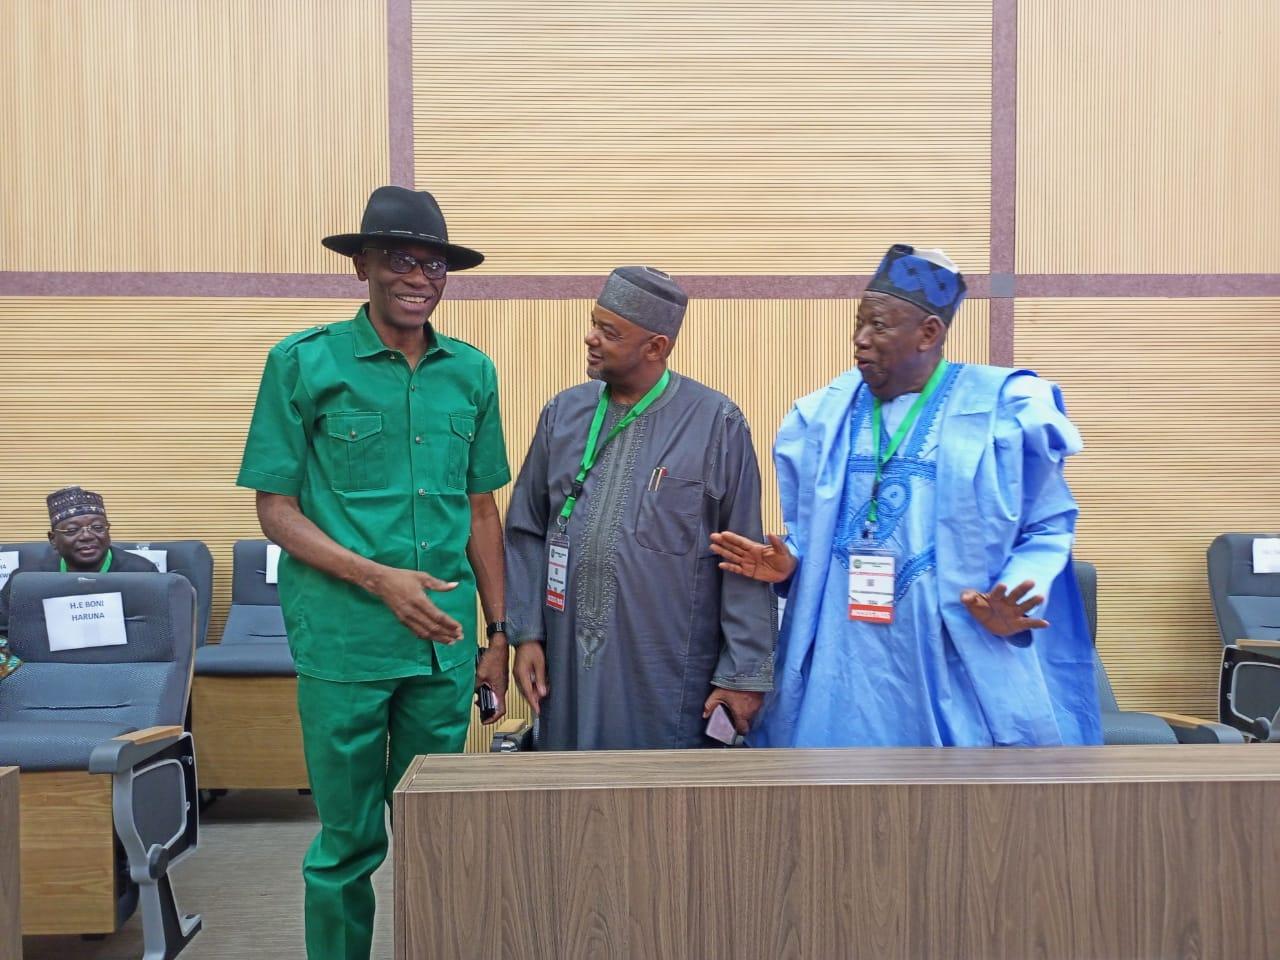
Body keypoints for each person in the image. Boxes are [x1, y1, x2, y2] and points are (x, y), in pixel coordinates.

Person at [237, 185, 511, 960]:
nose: (419, 277)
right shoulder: (302, 362)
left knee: (439, 836)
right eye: (399, 259)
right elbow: (276, 511)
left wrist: (499, 632)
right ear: (362, 265)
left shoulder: (472, 373)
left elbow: (481, 511)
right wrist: (377, 578)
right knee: (346, 845)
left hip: (443, 650)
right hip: (346, 646)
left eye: (434, 265)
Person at [712, 244, 1101, 748]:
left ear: (928, 333)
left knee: (952, 793)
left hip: (950, 654)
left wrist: (1013, 593)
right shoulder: (826, 414)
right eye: (858, 323)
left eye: (878, 325)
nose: (859, 340)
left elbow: (1047, 525)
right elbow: (816, 533)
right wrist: (791, 566)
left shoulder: (1003, 410)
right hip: (843, 660)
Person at [505, 266, 776, 749]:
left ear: (656, 347)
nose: (590, 338)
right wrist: (526, 634)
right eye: (594, 322)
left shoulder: (716, 423)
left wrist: (743, 674)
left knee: (659, 792)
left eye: (609, 332)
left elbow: (743, 558)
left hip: (667, 678)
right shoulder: (562, 414)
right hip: (567, 668)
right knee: (569, 786)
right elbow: (526, 530)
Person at [0, 486, 158, 649]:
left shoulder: (142, 573)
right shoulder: (28, 579)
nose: (87, 536)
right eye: (72, 530)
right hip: (49, 662)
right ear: (53, 539)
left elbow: (159, 636)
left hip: (123, 660)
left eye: (97, 527)